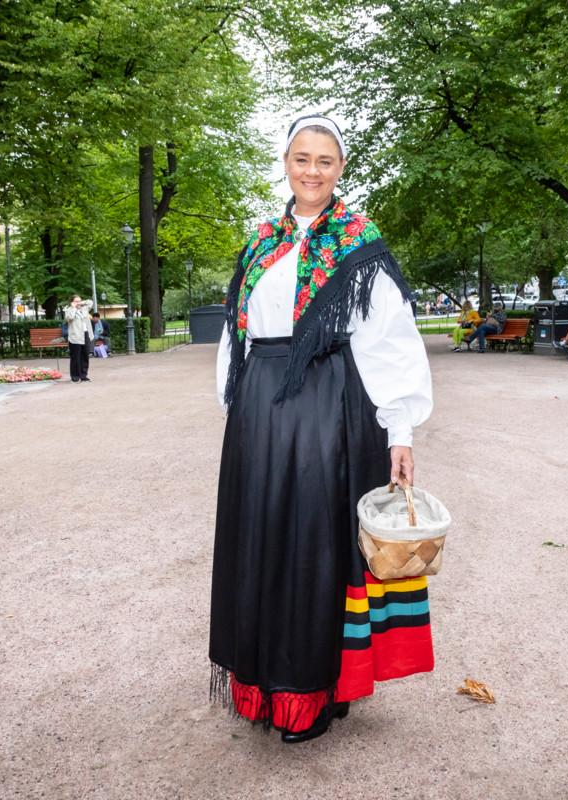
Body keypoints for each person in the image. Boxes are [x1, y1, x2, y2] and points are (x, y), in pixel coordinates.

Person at [212, 114, 433, 744]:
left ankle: (314, 690)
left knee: (316, 548)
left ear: (340, 170)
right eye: (301, 159)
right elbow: (238, 331)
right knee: (261, 541)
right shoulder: (260, 242)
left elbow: (390, 340)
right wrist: (238, 405)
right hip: (260, 407)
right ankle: (260, 684)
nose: (312, 171)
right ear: (286, 163)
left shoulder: (359, 242)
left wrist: (401, 431)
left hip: (330, 406)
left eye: (325, 161)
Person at [63, 295, 93, 382]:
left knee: (85, 356)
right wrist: (73, 308)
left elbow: (91, 302)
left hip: (85, 334)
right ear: (71, 302)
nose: (78, 303)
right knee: (75, 357)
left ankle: (83, 375)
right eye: (76, 301)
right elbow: (69, 318)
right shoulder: (68, 310)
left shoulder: (84, 309)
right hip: (75, 336)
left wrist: (80, 303)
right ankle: (75, 376)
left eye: (79, 301)